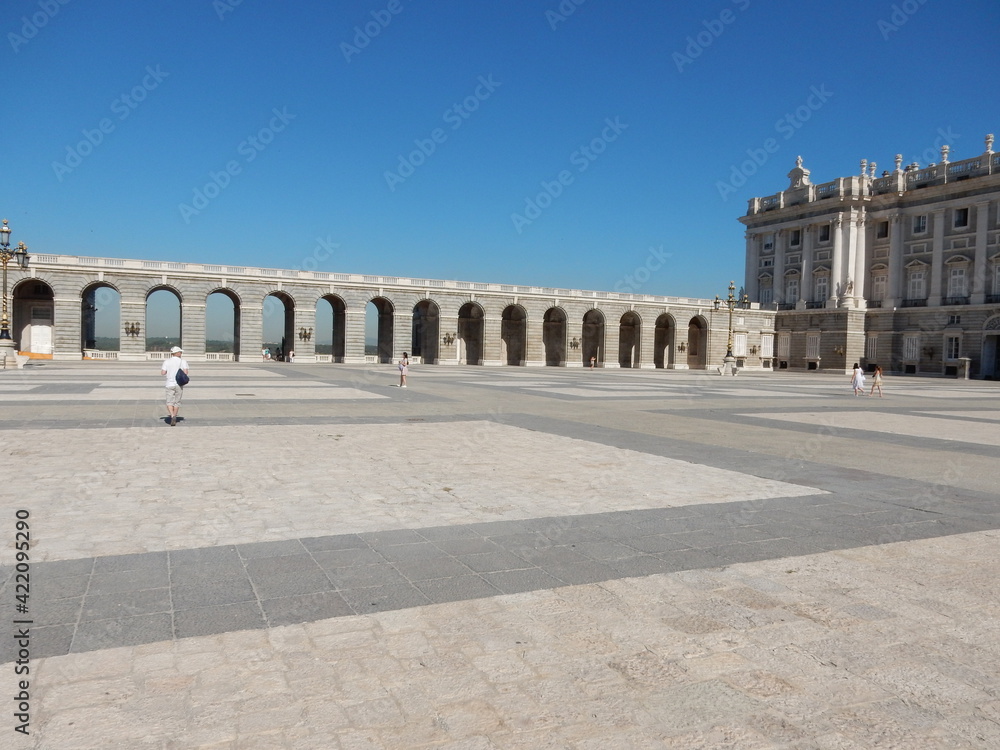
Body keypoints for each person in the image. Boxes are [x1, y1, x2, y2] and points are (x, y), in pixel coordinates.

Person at [160, 346, 189, 426]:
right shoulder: (183, 361)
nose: (181, 353)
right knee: (177, 402)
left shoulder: (167, 361)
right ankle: (175, 416)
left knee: (169, 401)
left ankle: (172, 415)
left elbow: (163, 373)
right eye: (180, 352)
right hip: (179, 384)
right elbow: (186, 372)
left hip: (169, 384)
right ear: (178, 353)